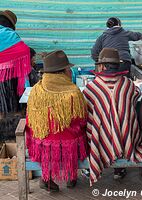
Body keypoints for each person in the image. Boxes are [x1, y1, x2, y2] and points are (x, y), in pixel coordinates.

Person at [83, 48, 142, 185]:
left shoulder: (91, 88)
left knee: (93, 127)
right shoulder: (128, 84)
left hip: (100, 137)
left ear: (102, 66)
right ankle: (119, 165)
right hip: (125, 137)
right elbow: (135, 97)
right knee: (123, 119)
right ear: (117, 65)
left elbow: (88, 112)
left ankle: (102, 156)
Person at [26, 50, 88, 192]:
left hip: (42, 146)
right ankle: (71, 176)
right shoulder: (74, 92)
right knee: (79, 132)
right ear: (63, 72)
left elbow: (30, 119)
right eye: (67, 68)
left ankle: (47, 178)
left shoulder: (36, 90)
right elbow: (82, 120)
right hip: (69, 146)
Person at [0, 10, 31, 141]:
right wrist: (26, 90)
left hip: (6, 77)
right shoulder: (12, 37)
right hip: (7, 82)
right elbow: (25, 62)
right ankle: (8, 142)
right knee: (8, 114)